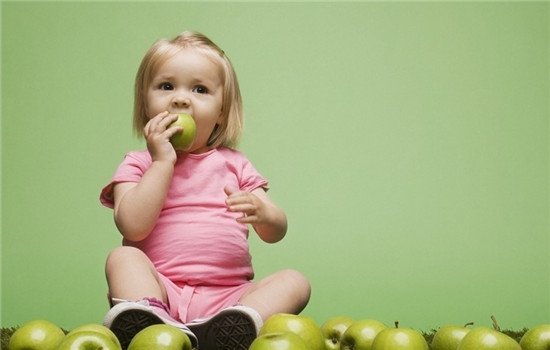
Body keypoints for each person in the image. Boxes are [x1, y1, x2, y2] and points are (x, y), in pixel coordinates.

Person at [99, 31, 311, 350]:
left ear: (221, 112)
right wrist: (162, 163)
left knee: (296, 282)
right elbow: (132, 225)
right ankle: (149, 321)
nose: (181, 99)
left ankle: (238, 325)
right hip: (160, 290)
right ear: (145, 102)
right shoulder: (138, 163)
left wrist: (263, 212)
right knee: (122, 257)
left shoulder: (235, 165)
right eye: (166, 86)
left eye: (200, 89)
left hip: (231, 298)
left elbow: (276, 231)